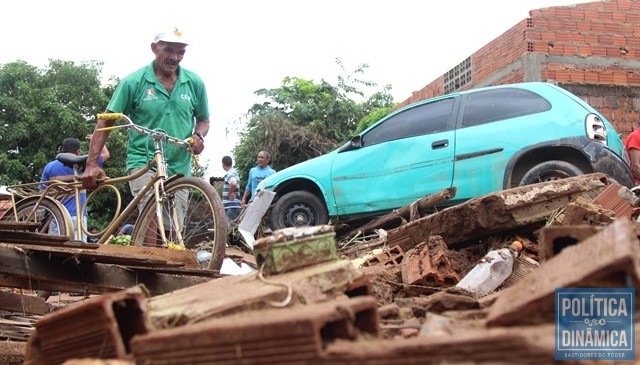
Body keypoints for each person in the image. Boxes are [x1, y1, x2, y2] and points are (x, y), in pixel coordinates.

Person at [80, 27, 209, 206]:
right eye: (169, 50)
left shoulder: (194, 83)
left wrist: (199, 135)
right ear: (154, 48)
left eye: (181, 52)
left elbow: (204, 119)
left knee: (173, 230)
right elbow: (106, 120)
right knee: (152, 213)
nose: (175, 57)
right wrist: (91, 164)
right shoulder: (133, 82)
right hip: (144, 160)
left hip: (179, 165)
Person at [40, 136, 110, 241]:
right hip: (77, 215)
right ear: (78, 152)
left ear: (63, 150)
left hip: (56, 216)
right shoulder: (85, 165)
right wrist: (94, 139)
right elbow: (106, 155)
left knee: (54, 250)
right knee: (78, 250)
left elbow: (41, 193)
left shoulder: (49, 167)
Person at [221, 156, 242, 226]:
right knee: (233, 230)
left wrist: (229, 194)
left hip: (231, 206)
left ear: (223, 164)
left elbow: (233, 184)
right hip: (234, 206)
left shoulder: (230, 173)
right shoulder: (234, 172)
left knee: (229, 231)